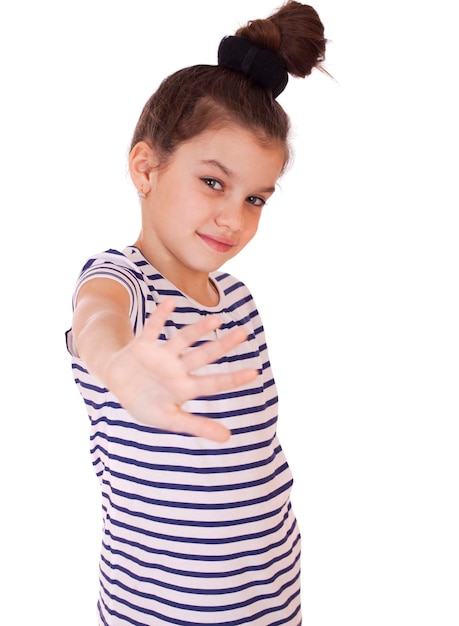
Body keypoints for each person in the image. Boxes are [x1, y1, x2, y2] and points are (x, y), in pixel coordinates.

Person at [66, 1, 327, 624]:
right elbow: (95, 318)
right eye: (214, 182)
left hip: (271, 598)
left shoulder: (237, 299)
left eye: (256, 198)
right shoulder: (122, 280)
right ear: (147, 167)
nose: (234, 219)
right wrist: (119, 360)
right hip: (158, 611)